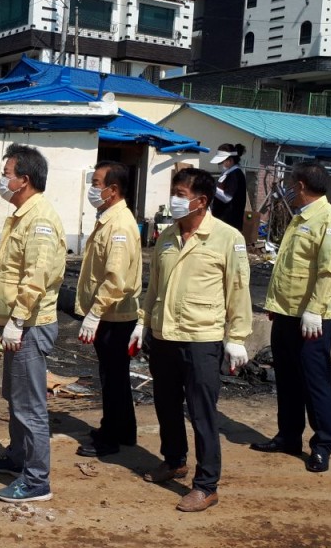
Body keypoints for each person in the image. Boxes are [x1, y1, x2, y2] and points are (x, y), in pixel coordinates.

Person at [130, 168, 252, 512]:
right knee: (166, 403)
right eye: (175, 192)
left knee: (201, 413)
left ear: (201, 200)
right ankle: (173, 461)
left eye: (181, 194)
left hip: (202, 338)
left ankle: (206, 484)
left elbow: (238, 289)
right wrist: (143, 322)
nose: (175, 199)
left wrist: (237, 336)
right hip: (165, 334)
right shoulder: (167, 235)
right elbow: (154, 286)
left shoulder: (227, 238)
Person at [253, 162, 331, 473]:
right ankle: (289, 435)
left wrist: (314, 310)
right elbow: (289, 269)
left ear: (303, 185)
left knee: (314, 381)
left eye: (291, 183)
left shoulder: (330, 220)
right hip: (286, 314)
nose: (288, 189)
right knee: (288, 379)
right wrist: (275, 304)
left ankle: (323, 445)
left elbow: (329, 272)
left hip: (312, 318)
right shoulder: (301, 218)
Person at [0, 143, 65, 504]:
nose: (3, 180)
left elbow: (38, 275)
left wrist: (17, 319)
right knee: (14, 397)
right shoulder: (20, 214)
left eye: (7, 174)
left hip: (30, 323)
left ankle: (36, 481)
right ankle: (17, 456)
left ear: (24, 180)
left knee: (30, 405)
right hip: (17, 324)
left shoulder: (40, 218)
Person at [74, 161, 143, 457]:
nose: (93, 188)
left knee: (113, 379)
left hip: (114, 315)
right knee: (114, 376)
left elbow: (115, 278)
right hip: (110, 314)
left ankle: (110, 438)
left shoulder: (119, 225)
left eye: (97, 183)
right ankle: (122, 429)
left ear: (113, 190)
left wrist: (95, 312)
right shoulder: (109, 218)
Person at [210, 143, 248, 231]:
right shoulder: (227, 173)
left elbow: (227, 197)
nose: (219, 165)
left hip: (229, 222)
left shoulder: (235, 174)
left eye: (220, 162)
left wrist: (211, 187)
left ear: (230, 161)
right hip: (222, 221)